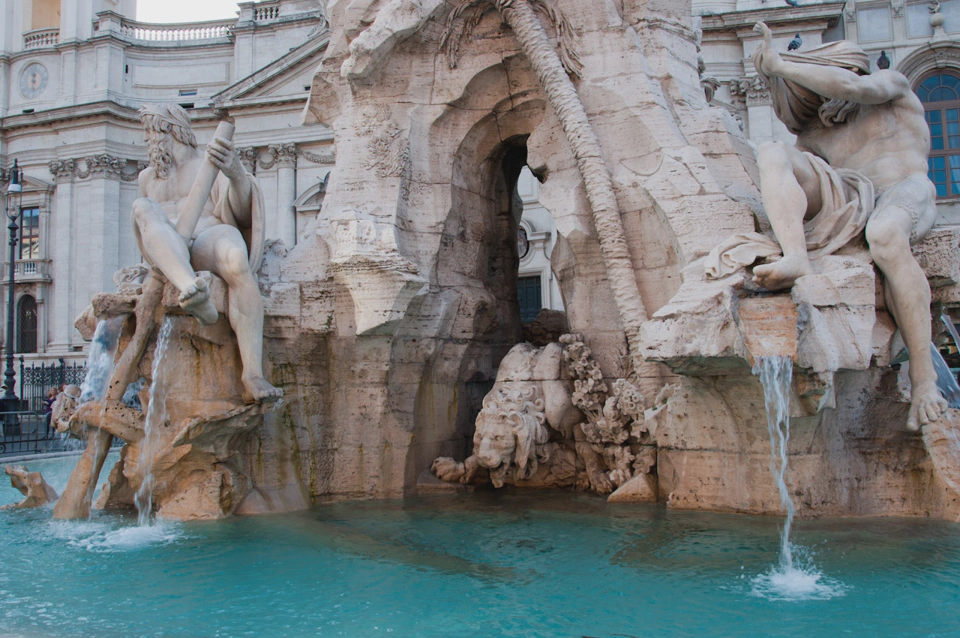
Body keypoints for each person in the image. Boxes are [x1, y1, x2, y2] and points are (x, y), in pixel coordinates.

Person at [709, 23, 945, 431]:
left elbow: (857, 90)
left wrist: (781, 65)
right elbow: (791, 182)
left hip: (904, 191)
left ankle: (925, 381)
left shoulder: (890, 85)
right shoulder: (816, 131)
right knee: (772, 151)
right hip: (853, 196)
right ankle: (797, 257)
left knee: (885, 235)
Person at [132, 104, 282, 403]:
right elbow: (148, 230)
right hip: (170, 250)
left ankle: (252, 373)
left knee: (237, 260)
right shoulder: (147, 178)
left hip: (208, 238)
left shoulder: (208, 162)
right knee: (142, 207)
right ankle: (193, 292)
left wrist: (236, 174)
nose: (148, 140)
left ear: (173, 129)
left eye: (152, 131)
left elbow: (239, 213)